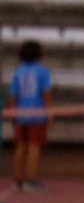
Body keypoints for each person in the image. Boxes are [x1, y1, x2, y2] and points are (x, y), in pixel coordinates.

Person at [7, 40, 52, 192]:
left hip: (21, 113)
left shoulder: (18, 71)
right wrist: (50, 114)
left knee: (20, 146)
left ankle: (18, 178)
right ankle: (30, 180)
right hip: (37, 114)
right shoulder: (42, 71)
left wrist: (13, 113)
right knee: (34, 147)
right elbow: (46, 94)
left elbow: (13, 95)